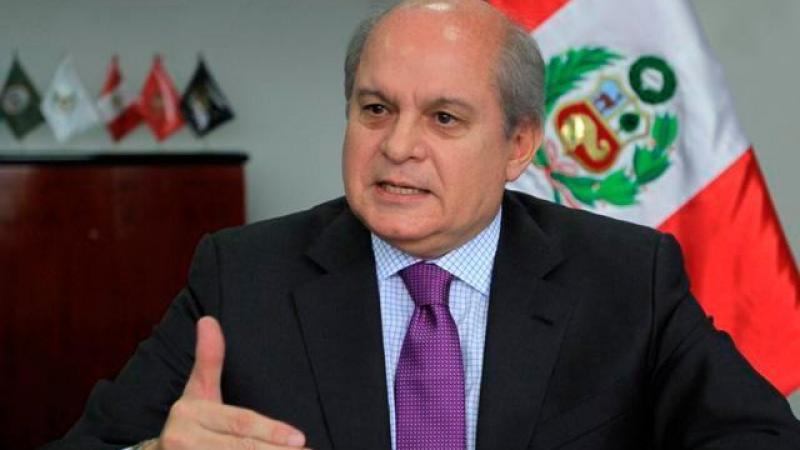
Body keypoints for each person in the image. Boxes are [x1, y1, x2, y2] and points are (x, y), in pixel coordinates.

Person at [45, 1, 800, 449]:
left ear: (518, 145)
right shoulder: (241, 278)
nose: (398, 145)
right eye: (376, 109)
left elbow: (760, 437)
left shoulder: (628, 278)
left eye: (444, 117)